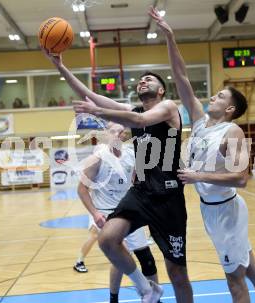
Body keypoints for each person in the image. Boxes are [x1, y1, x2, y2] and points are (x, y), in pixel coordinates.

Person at [149, 7, 255, 303]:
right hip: (210, 210)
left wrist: (197, 175)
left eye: (220, 96)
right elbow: (180, 75)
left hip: (228, 211)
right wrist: (169, 36)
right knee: (250, 267)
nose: (212, 96)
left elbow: (241, 179)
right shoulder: (199, 120)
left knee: (234, 278)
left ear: (230, 109)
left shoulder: (231, 132)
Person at [44, 52, 193, 302]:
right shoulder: (133, 110)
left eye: (150, 80)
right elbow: (91, 96)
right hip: (141, 192)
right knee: (107, 239)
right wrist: (61, 67)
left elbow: (139, 119)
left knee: (177, 273)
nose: (143, 82)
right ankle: (147, 289)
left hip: (168, 197)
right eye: (141, 80)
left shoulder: (168, 108)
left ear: (161, 91)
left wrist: (98, 111)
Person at [75, 122, 160, 303]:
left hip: (128, 211)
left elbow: (139, 181)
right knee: (120, 259)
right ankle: (114, 298)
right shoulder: (97, 159)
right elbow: (82, 189)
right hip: (106, 215)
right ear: (106, 134)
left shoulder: (131, 155)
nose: (117, 134)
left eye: (121, 132)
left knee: (147, 258)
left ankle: (154, 298)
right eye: (112, 131)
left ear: (125, 136)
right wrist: (95, 213)